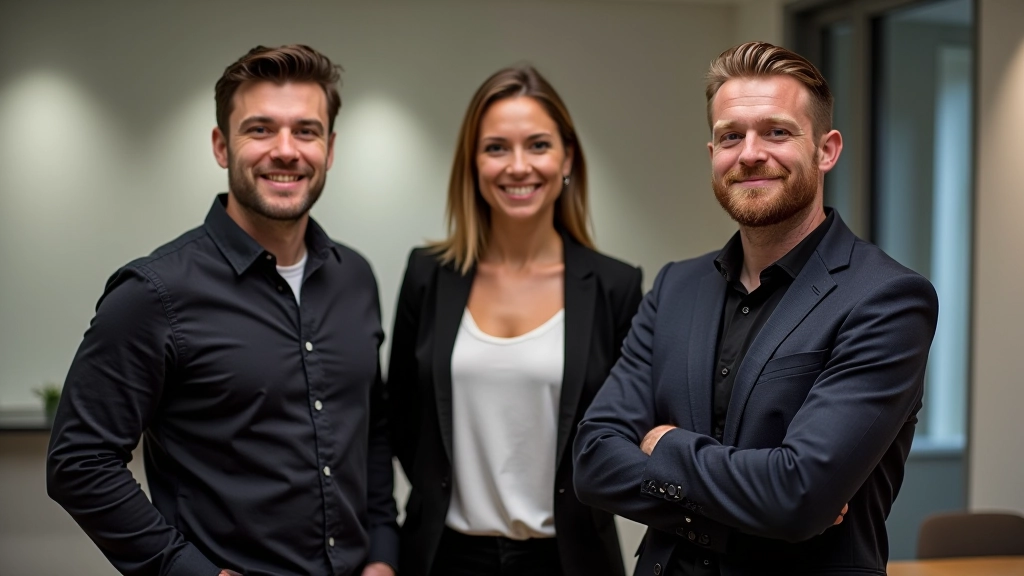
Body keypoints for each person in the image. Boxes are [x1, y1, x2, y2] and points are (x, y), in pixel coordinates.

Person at [573, 41, 939, 576]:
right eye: (730, 136)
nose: (749, 154)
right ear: (713, 154)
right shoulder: (676, 287)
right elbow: (593, 461)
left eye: (777, 131)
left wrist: (664, 444)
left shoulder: (886, 299)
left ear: (826, 149)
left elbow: (797, 497)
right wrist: (758, 498)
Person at [46, 45, 398, 576]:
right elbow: (79, 461)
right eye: (260, 129)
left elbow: (369, 431)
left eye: (306, 131)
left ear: (330, 147)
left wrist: (382, 553)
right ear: (221, 145)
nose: (286, 150)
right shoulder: (154, 293)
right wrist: (185, 571)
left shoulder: (356, 278)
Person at [388, 65, 642, 576]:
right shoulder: (427, 275)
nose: (518, 166)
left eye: (538, 145)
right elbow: (401, 415)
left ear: (567, 158)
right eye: (497, 147)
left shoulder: (617, 287)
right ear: (473, 163)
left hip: (569, 560)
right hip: (441, 557)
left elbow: (632, 429)